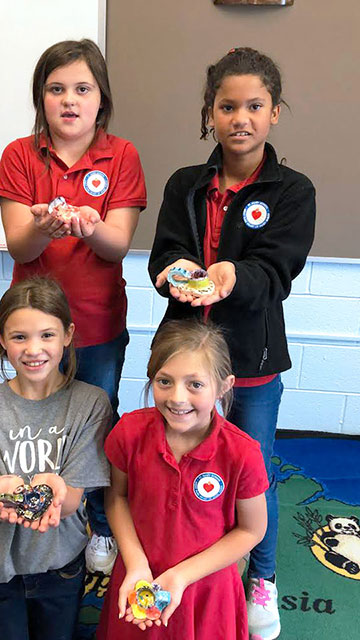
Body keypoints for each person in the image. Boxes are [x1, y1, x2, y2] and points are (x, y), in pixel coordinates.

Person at [147, 47, 316, 640]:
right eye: (227, 106)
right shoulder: (185, 184)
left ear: (274, 113)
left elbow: (278, 273)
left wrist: (230, 276)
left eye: (254, 106)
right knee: (173, 461)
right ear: (209, 113)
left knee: (254, 469)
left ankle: (261, 576)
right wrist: (174, 271)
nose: (240, 117)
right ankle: (169, 555)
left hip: (251, 359)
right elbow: (163, 255)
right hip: (183, 353)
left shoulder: (293, 190)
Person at [0, 39, 147, 574]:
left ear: (101, 98)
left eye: (82, 89)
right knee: (36, 420)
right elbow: (19, 246)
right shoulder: (19, 153)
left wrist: (89, 223)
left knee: (95, 419)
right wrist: (42, 225)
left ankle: (97, 524)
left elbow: (118, 244)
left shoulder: (122, 154)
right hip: (33, 327)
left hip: (98, 322)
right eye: (56, 89)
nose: (69, 100)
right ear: (41, 98)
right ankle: (35, 507)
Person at [97, 320, 268, 640]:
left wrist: (182, 575)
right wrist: (135, 563)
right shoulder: (130, 433)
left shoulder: (242, 453)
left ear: (224, 385)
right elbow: (117, 498)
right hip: (140, 575)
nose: (177, 397)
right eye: (164, 381)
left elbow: (252, 529)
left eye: (195, 384)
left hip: (206, 587)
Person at [0, 277, 111, 640]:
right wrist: (5, 493)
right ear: (1, 338)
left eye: (47, 335)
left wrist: (46, 494)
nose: (34, 349)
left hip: (60, 564)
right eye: (20, 337)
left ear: (68, 334)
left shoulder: (91, 403)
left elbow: (71, 501)